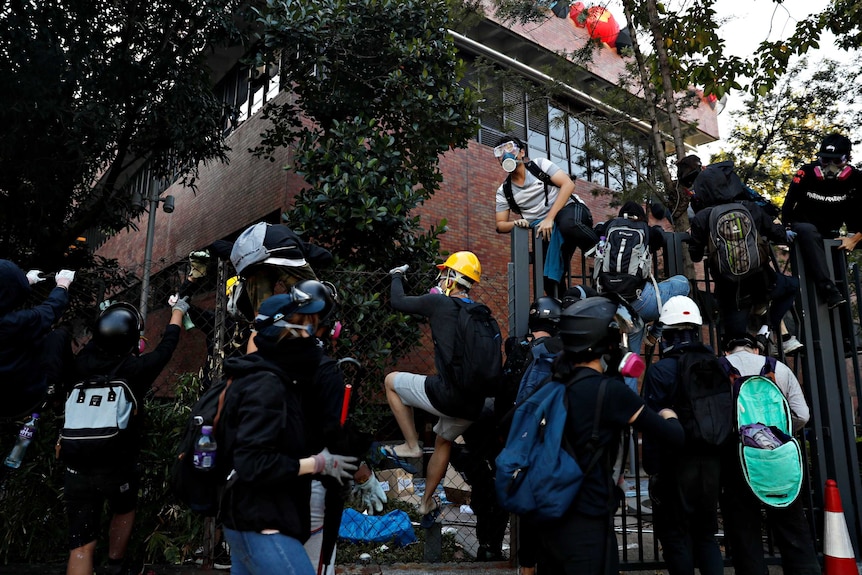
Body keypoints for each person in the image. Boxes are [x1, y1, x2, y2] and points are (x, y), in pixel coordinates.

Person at [532, 296, 684, 574]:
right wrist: (669, 415)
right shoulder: (611, 393)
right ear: (603, 345)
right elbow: (672, 436)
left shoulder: (550, 385)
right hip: (587, 524)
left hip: (548, 521)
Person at [218, 289, 358, 575]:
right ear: (283, 333)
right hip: (263, 524)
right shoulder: (266, 386)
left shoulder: (276, 378)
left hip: (251, 520)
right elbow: (252, 462)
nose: (313, 335)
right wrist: (317, 464)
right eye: (307, 325)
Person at [63, 299, 188, 575]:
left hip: (76, 464)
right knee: (124, 507)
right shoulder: (135, 370)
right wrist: (177, 311)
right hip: (117, 462)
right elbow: (167, 347)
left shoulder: (79, 365)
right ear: (132, 341)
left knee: (81, 546)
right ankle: (116, 565)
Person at [383, 251, 489, 525]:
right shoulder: (480, 313)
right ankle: (426, 501)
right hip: (474, 403)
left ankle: (411, 445)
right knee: (443, 440)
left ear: (452, 278)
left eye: (444, 274)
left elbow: (398, 302)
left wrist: (396, 276)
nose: (440, 278)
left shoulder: (439, 303)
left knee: (391, 381)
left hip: (447, 395)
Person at [293, 279, 384, 575]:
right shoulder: (326, 371)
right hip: (313, 483)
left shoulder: (267, 360)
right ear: (331, 325)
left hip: (268, 480)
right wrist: (361, 471)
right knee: (314, 565)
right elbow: (335, 434)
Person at [718, 332, 820, 575]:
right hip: (779, 457)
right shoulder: (780, 369)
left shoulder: (719, 368)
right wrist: (780, 434)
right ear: (756, 350)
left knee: (744, 530)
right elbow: (803, 415)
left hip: (739, 457)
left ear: (726, 352)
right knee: (792, 525)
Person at [641, 296, 724, 575]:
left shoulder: (660, 370)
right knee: (706, 535)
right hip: (713, 462)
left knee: (675, 537)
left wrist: (652, 468)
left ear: (668, 331)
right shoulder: (717, 366)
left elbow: (650, 424)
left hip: (674, 465)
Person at [688, 183, 800, 352]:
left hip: (731, 293)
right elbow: (775, 232)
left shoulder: (702, 217)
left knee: (737, 345)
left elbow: (695, 255)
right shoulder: (750, 207)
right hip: (762, 283)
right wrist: (786, 234)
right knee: (793, 285)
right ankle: (766, 329)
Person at [594, 201, 690, 391]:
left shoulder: (609, 227)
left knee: (626, 360)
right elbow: (661, 238)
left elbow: (596, 231)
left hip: (610, 305)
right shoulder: (646, 229)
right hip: (639, 301)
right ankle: (655, 332)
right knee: (682, 283)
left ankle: (623, 411)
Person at [492, 135, 598, 297]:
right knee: (547, 280)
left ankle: (603, 253)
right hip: (546, 231)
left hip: (571, 211)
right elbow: (500, 224)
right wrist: (519, 223)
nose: (506, 155)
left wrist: (550, 218)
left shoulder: (539, 165)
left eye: (510, 149)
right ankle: (565, 307)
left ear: (521, 152)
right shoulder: (504, 191)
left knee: (568, 223)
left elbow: (568, 184)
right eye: (500, 152)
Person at [783, 133, 862, 309]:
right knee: (808, 230)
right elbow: (788, 204)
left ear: (848, 158)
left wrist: (854, 238)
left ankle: (845, 331)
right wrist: (786, 227)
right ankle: (827, 288)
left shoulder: (857, 179)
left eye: (837, 161)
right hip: (803, 226)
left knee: (839, 277)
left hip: (831, 235)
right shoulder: (806, 172)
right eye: (825, 160)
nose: (830, 166)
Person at [0, 261, 76, 418]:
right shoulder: (12, 324)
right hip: (25, 398)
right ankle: (59, 399)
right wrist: (63, 284)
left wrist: (27, 280)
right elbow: (50, 310)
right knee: (58, 336)